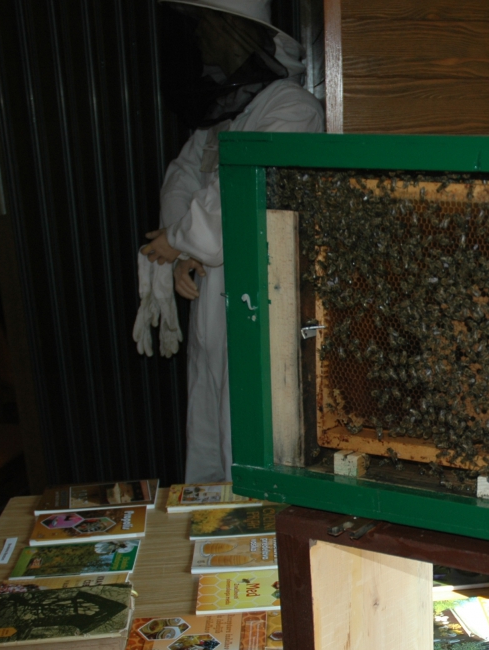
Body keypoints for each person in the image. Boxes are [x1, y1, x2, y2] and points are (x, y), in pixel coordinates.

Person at [133, 0, 323, 482]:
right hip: (212, 302)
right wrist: (182, 252)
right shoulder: (225, 112)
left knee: (253, 438)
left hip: (262, 302)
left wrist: (182, 240)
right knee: (209, 432)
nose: (199, 38)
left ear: (235, 30)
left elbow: (240, 203)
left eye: (208, 26)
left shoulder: (291, 108)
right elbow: (180, 179)